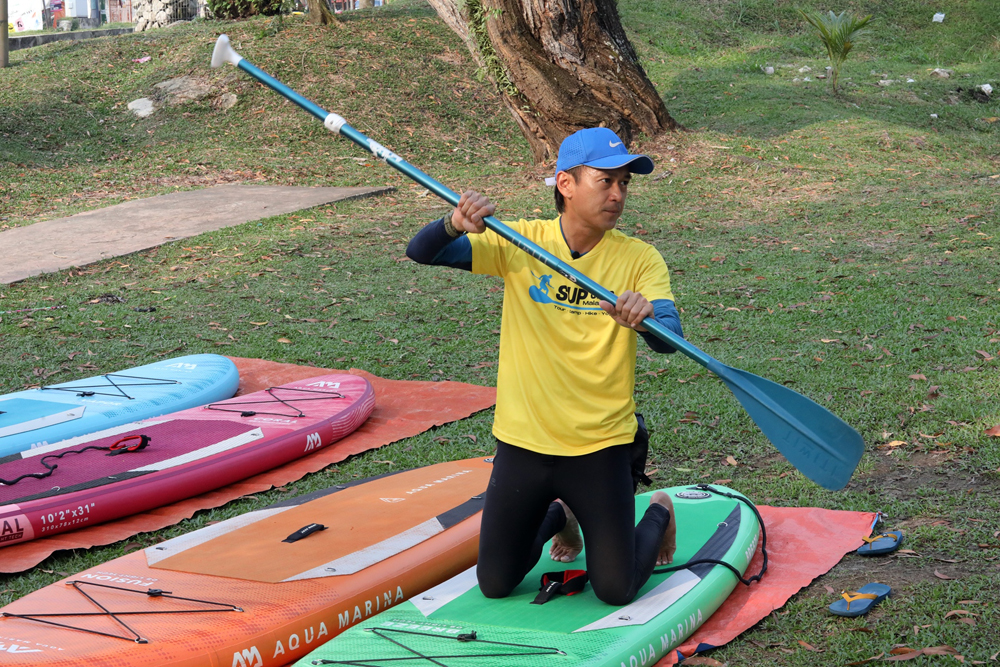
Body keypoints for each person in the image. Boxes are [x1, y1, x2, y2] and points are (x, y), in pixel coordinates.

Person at [405, 127, 684, 606]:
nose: (617, 194)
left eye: (624, 184)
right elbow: (422, 252)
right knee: (496, 582)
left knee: (615, 589)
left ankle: (658, 512)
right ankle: (559, 515)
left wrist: (646, 320)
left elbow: (672, 339)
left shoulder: (639, 258)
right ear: (566, 184)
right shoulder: (522, 243)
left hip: (600, 446)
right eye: (605, 181)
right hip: (524, 443)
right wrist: (452, 224)